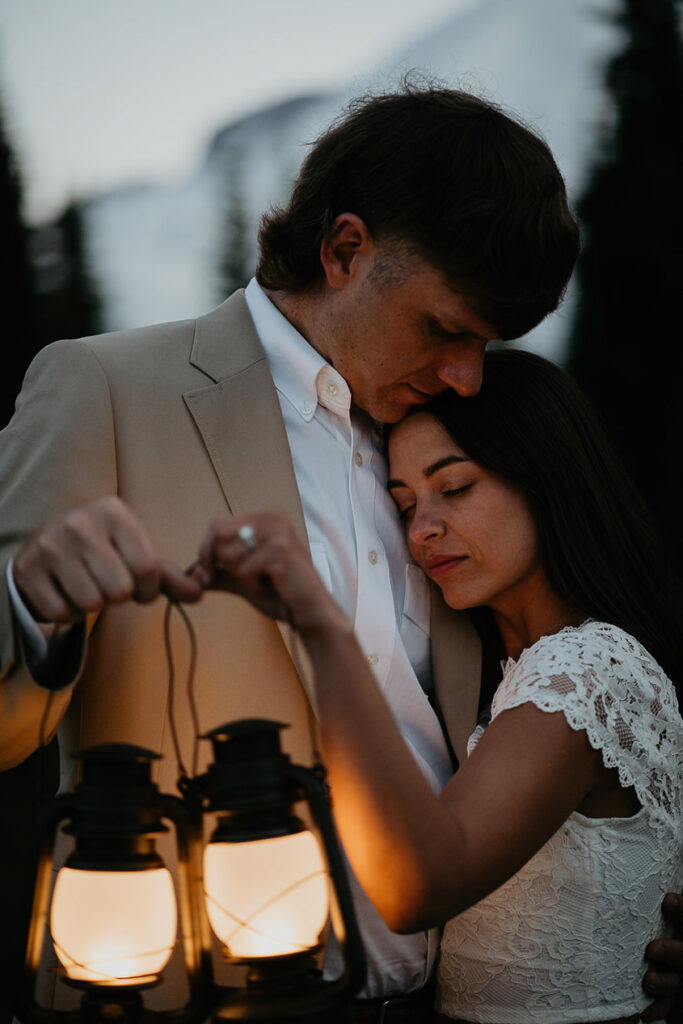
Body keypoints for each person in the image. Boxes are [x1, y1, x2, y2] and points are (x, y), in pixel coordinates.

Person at [0, 86, 680, 1019]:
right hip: (188, 995)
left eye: (486, 345)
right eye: (446, 329)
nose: (466, 375)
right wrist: (30, 609)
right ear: (346, 249)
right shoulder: (106, 388)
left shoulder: (443, 445)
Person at [195, 348, 683, 1024]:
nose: (421, 530)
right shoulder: (511, 674)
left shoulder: (588, 670)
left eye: (453, 488)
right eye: (402, 505)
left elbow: (418, 884)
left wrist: (320, 623)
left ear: (546, 477)